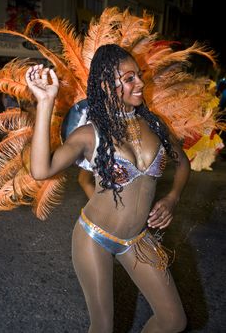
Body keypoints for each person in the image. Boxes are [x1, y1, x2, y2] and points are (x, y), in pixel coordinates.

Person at [31, 44, 191, 332]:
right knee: (103, 327)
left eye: (139, 75)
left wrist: (172, 198)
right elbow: (42, 170)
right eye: (129, 78)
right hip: (95, 236)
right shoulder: (90, 134)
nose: (140, 82)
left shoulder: (155, 125)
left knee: (174, 321)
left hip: (138, 239)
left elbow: (183, 164)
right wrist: (45, 102)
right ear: (106, 85)